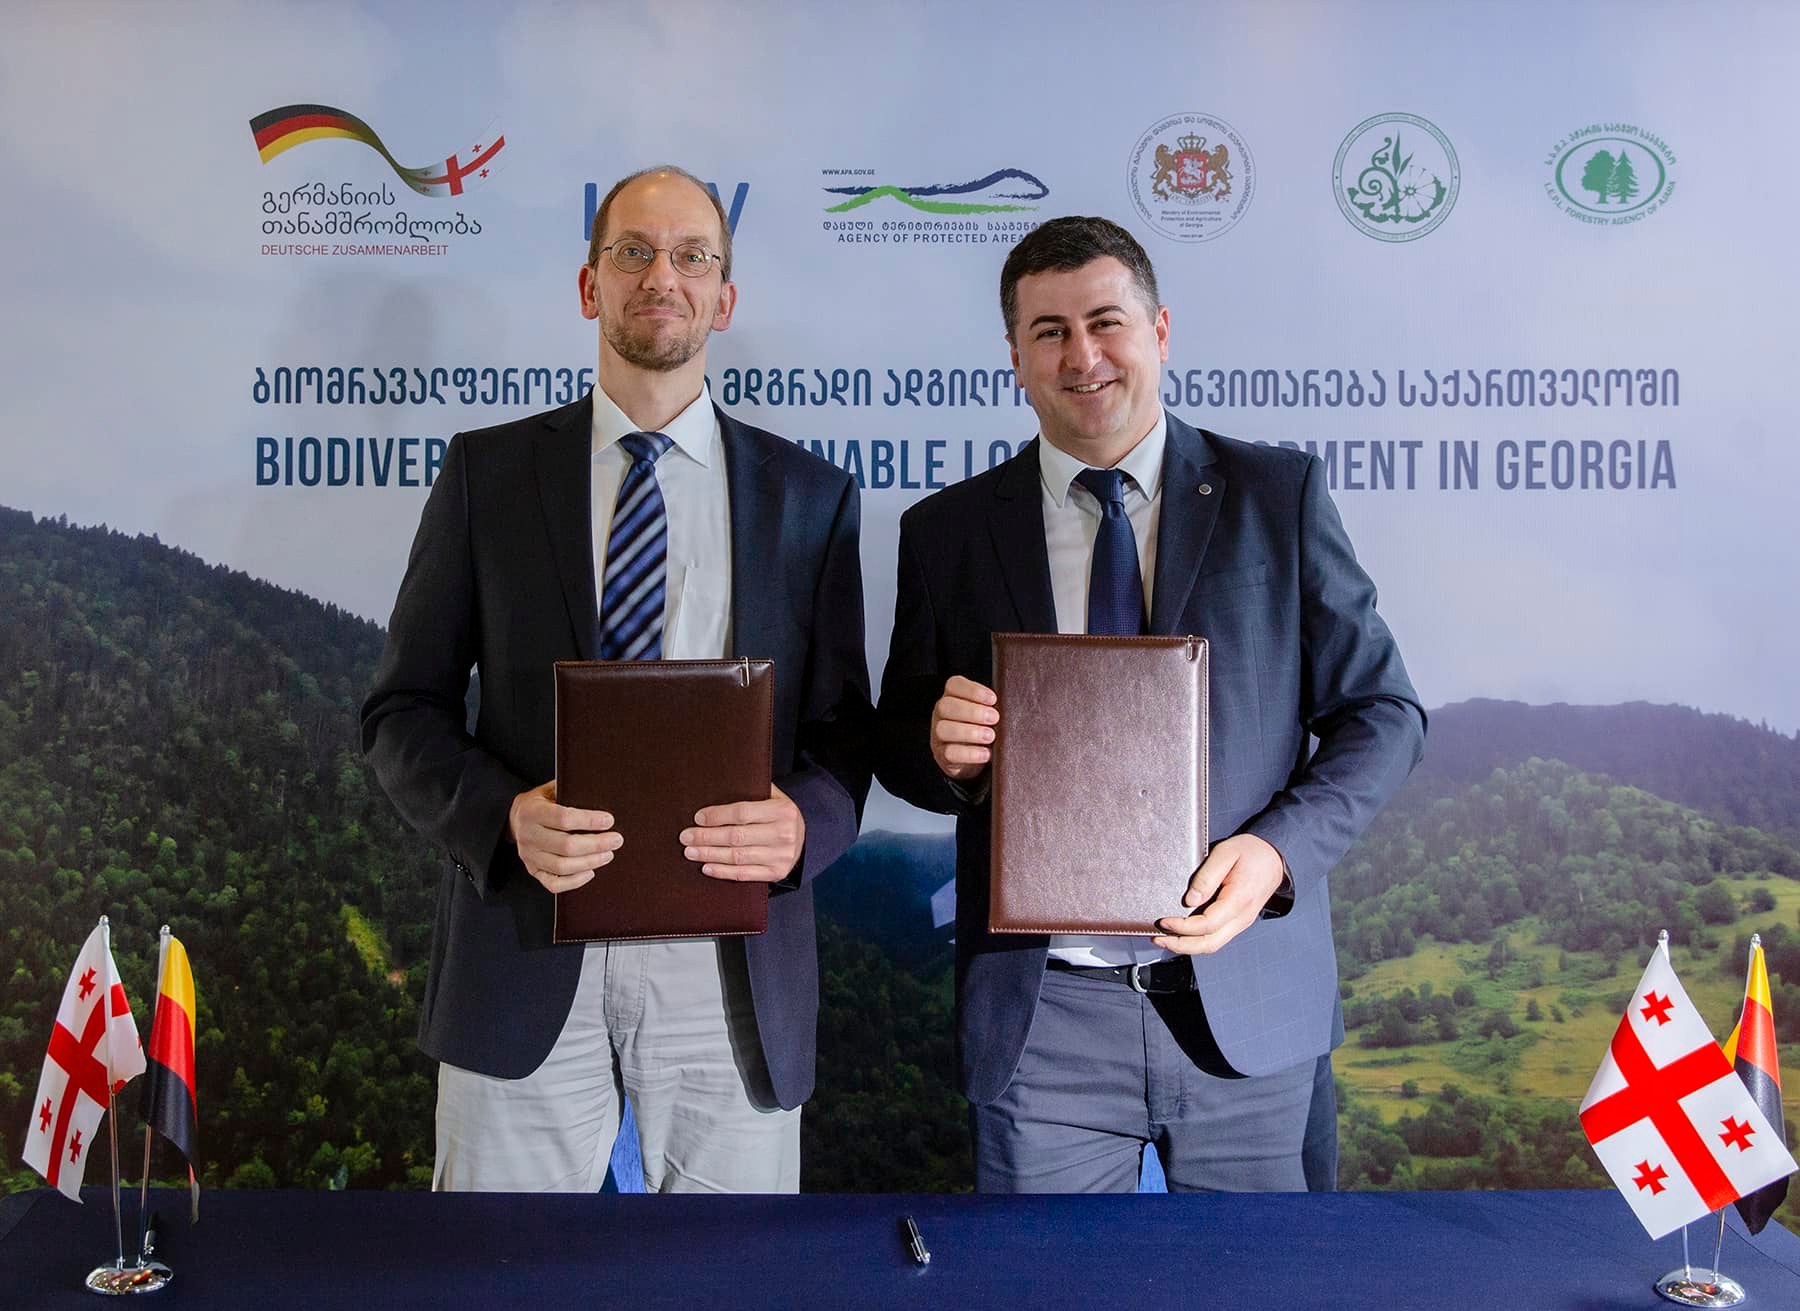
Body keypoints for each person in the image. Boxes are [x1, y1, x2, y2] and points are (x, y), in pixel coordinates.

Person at [874, 215, 1423, 1192]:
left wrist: (1277, 853)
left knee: (1259, 1276)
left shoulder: (1277, 496)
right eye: (1049, 331)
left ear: (1159, 331)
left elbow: (1383, 714)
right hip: (1043, 1021)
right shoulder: (946, 532)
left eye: (1106, 322)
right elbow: (902, 743)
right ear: (1015, 357)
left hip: (1247, 1001)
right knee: (1043, 1277)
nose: (1082, 356)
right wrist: (940, 750)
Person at [361, 165, 869, 1193]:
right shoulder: (487, 476)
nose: (661, 276)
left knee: (725, 1271)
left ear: (724, 296)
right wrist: (503, 817)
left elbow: (847, 732)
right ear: (589, 285)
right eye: (633, 251)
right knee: (499, 1268)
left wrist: (802, 826)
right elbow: (400, 713)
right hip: (525, 944)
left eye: (691, 256)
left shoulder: (810, 498)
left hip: (729, 964)